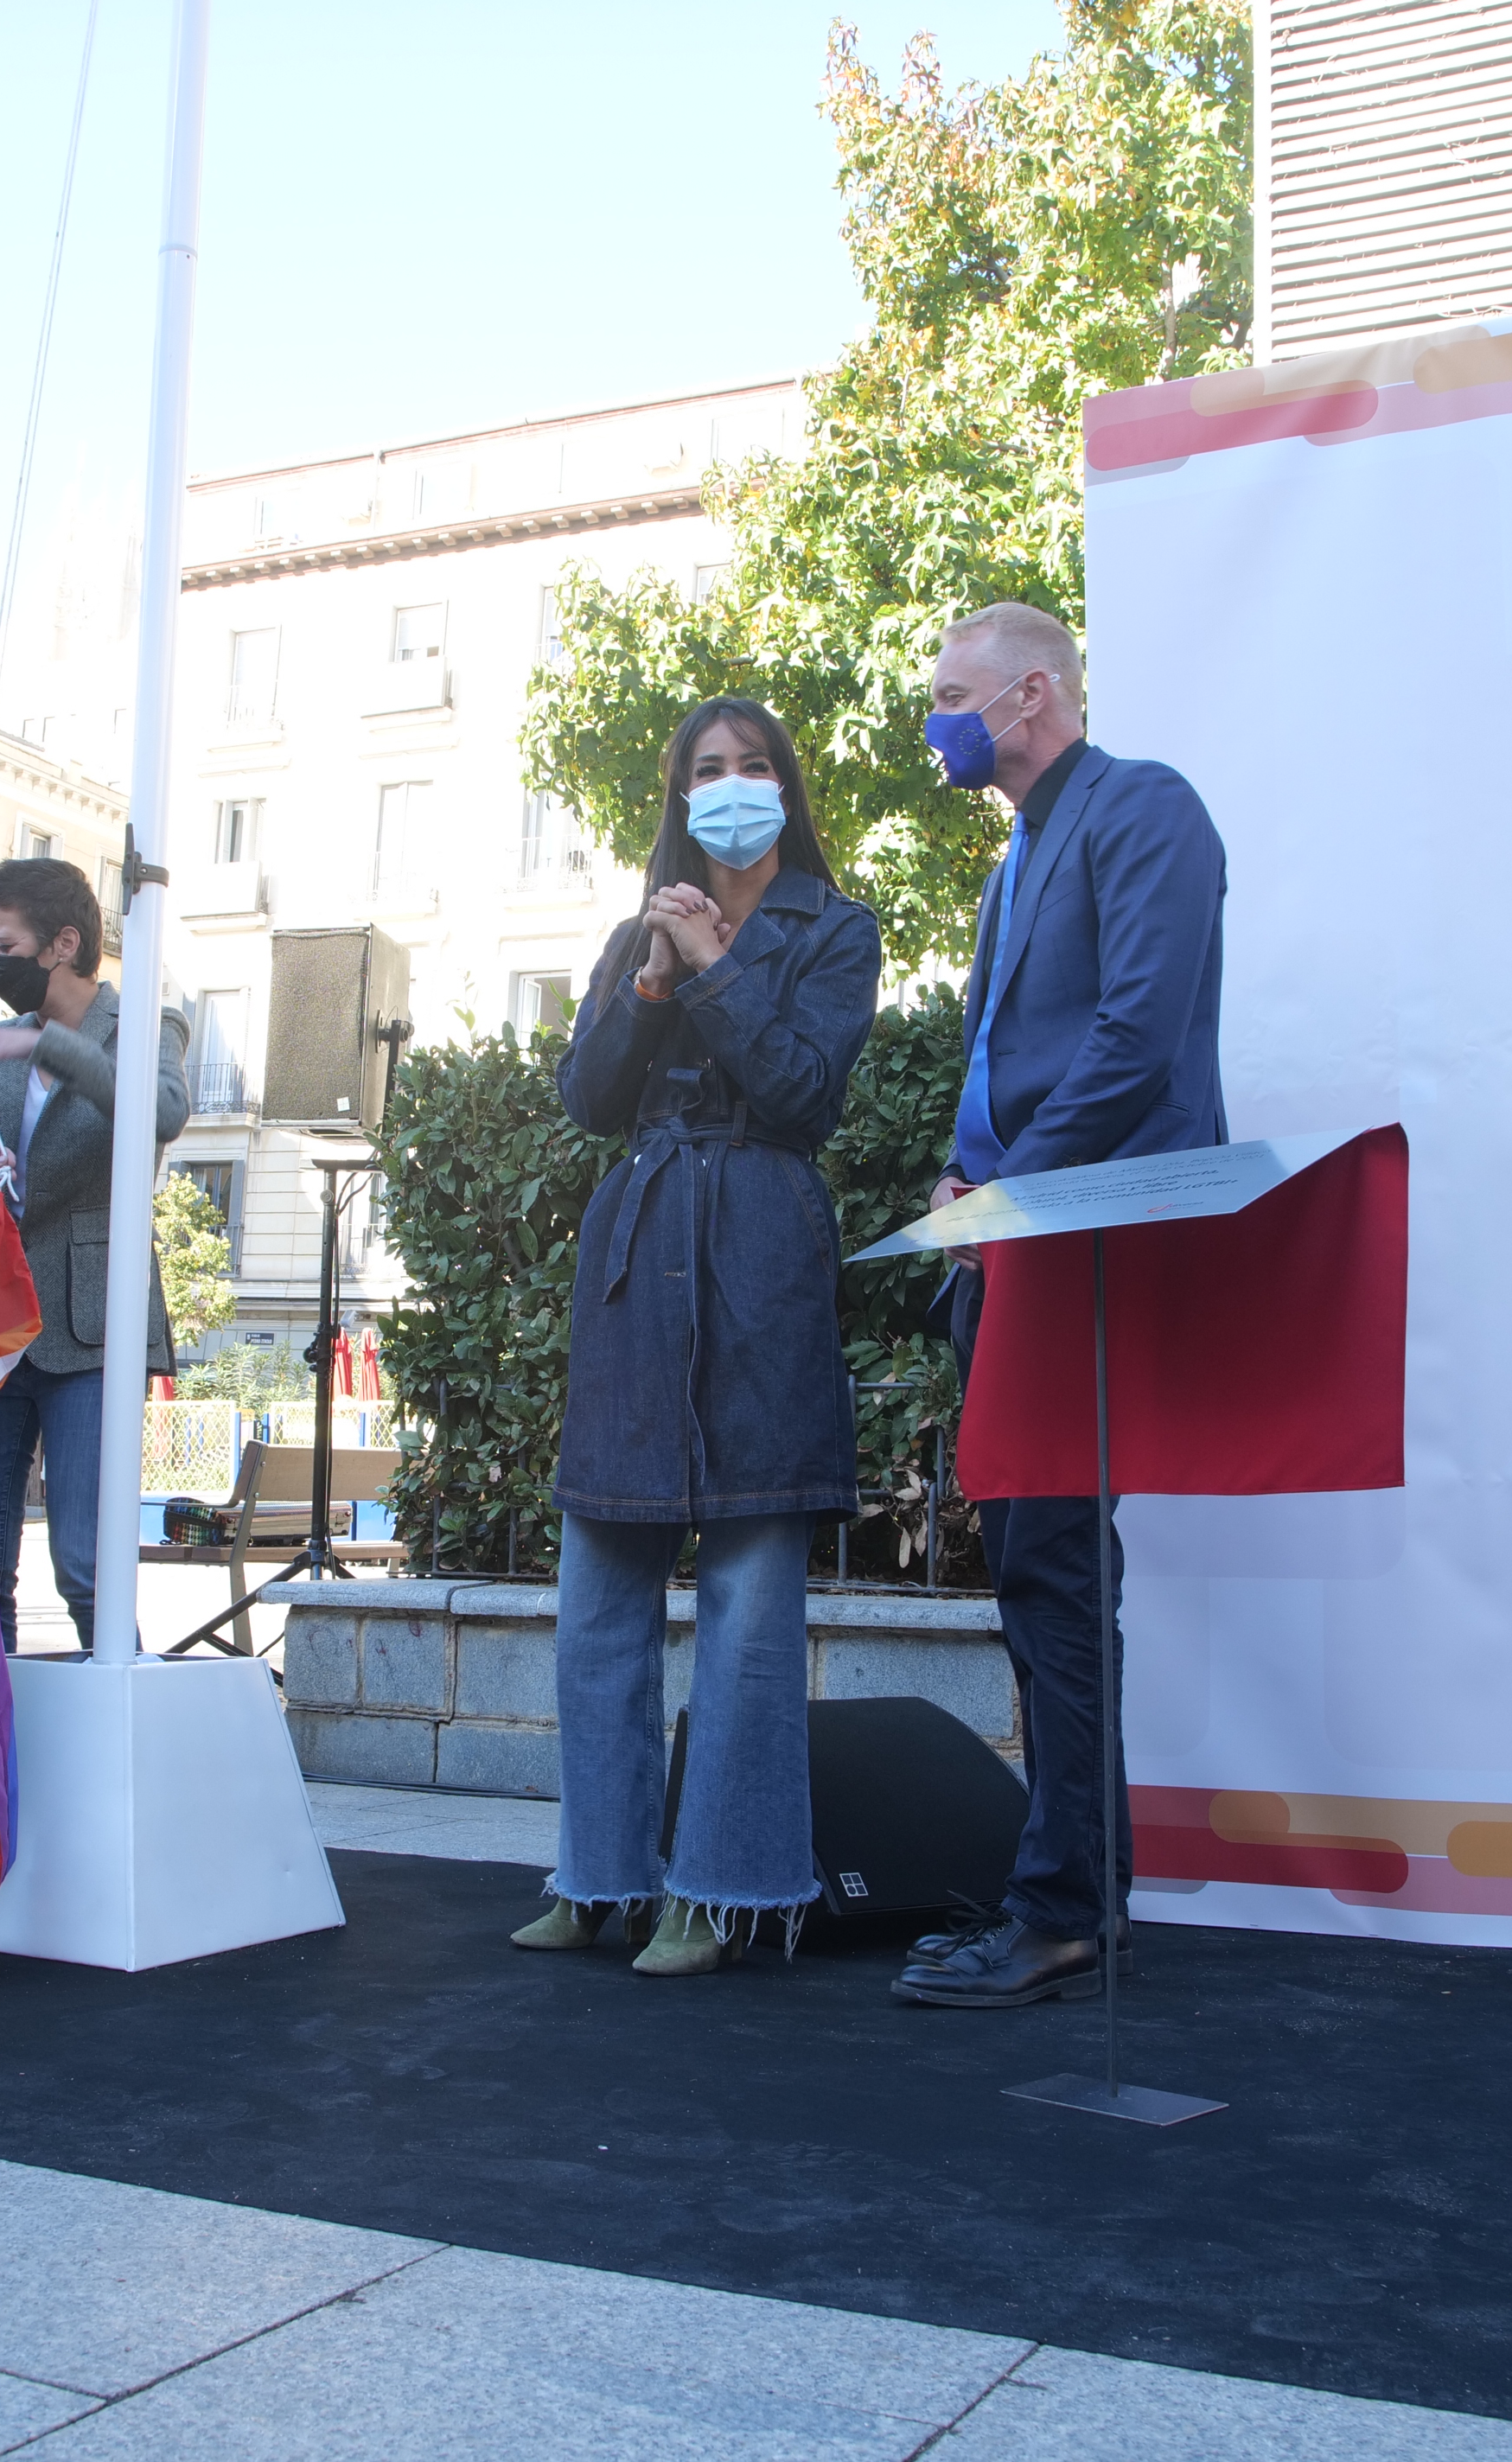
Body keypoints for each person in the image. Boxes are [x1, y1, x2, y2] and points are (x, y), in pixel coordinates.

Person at [512, 698, 883, 1977]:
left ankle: (721, 1892)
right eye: (708, 769)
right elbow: (587, 1099)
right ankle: (599, 1875)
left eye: (754, 765)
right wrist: (652, 984)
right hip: (639, 1246)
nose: (731, 785)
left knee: (749, 1602)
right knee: (597, 1594)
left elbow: (805, 1094)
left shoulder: (836, 928)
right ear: (680, 793)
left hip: (761, 1242)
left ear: (786, 784)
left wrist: (718, 970)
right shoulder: (638, 931)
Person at [894, 600, 1226, 2012]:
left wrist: (1009, 1194)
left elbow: (1136, 1037)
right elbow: (1001, 1055)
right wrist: (962, 1177)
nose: (937, 723)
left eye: (952, 695)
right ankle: (1072, 1892)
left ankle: (1066, 1910)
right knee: (1036, 1574)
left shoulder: (1143, 810)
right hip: (1019, 1242)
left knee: (1057, 1573)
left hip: (1082, 1239)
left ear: (1032, 694)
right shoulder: (1014, 856)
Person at [0, 855, 187, 1652]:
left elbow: (161, 1111)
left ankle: (117, 1707)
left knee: (88, 1563)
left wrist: (50, 1048)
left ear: (62, 944)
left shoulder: (147, 1024)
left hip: (93, 1323)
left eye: (5, 945)